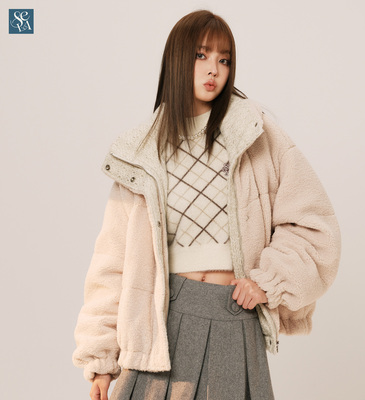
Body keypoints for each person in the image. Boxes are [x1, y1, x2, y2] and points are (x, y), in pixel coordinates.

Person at [72, 9, 341, 400]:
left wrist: (268, 281)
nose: (214, 69)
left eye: (224, 59)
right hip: (163, 324)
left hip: (236, 315)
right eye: (201, 55)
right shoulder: (141, 153)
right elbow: (112, 262)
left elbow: (313, 226)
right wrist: (100, 359)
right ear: (177, 59)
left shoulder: (256, 134)